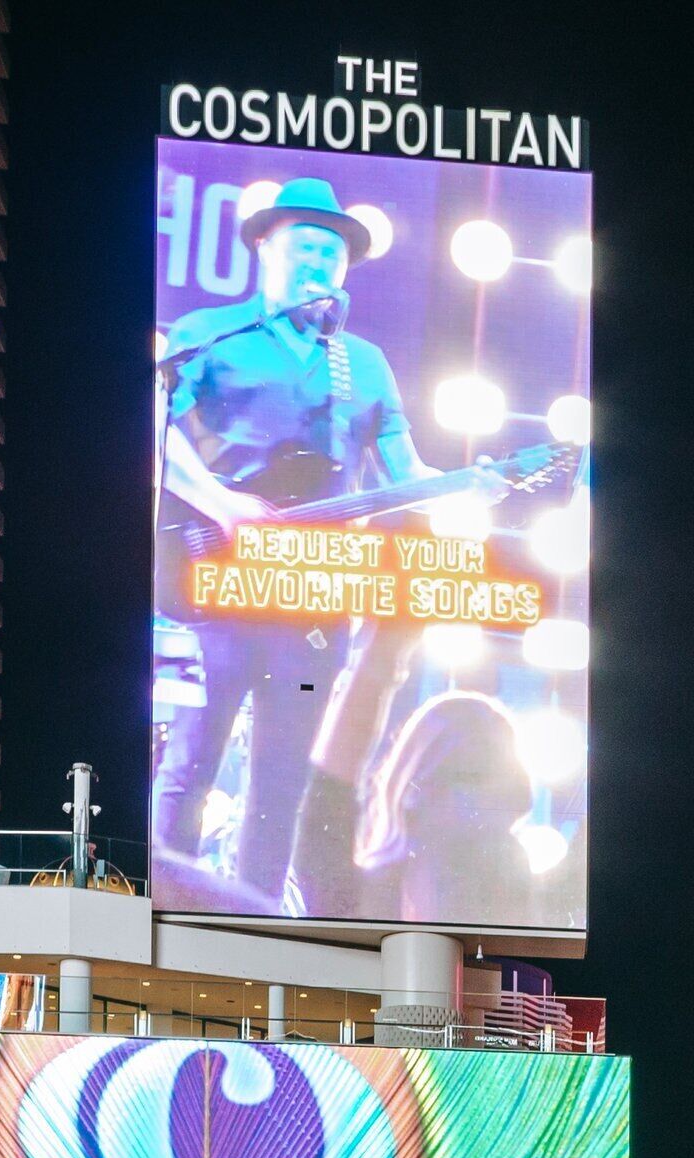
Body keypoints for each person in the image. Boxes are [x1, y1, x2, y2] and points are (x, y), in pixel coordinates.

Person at [155, 175, 445, 916]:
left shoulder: (364, 364)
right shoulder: (208, 335)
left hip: (315, 592)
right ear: (264, 246)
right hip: (213, 575)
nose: (321, 260)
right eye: (306, 244)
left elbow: (405, 470)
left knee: (283, 774)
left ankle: (250, 929)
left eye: (333, 251)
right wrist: (221, 503)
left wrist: (476, 483)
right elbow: (150, 432)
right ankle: (163, 906)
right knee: (194, 755)